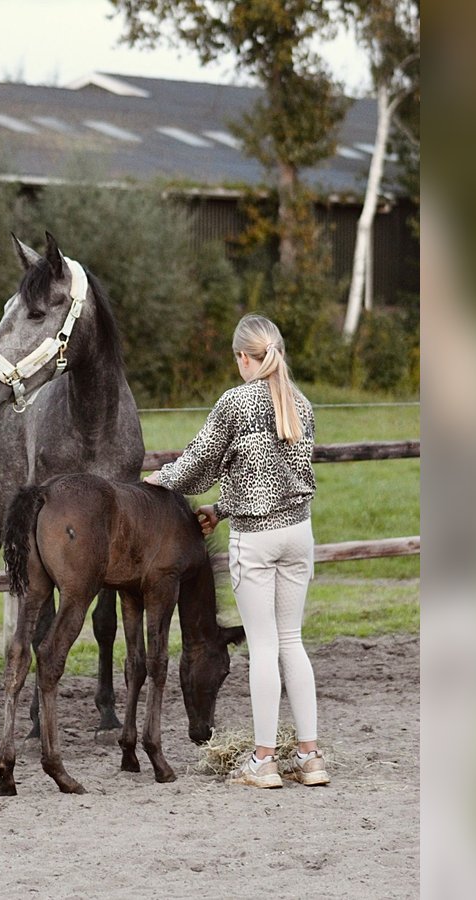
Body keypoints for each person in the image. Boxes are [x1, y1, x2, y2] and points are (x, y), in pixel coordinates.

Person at [144, 314, 329, 789]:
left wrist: (160, 479)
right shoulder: (301, 404)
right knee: (292, 642)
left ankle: (263, 761)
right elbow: (277, 478)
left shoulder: (235, 402)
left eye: (238, 358)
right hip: (299, 534)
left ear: (244, 358)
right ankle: (310, 758)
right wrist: (222, 508)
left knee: (264, 647)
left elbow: (199, 461)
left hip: (256, 540)